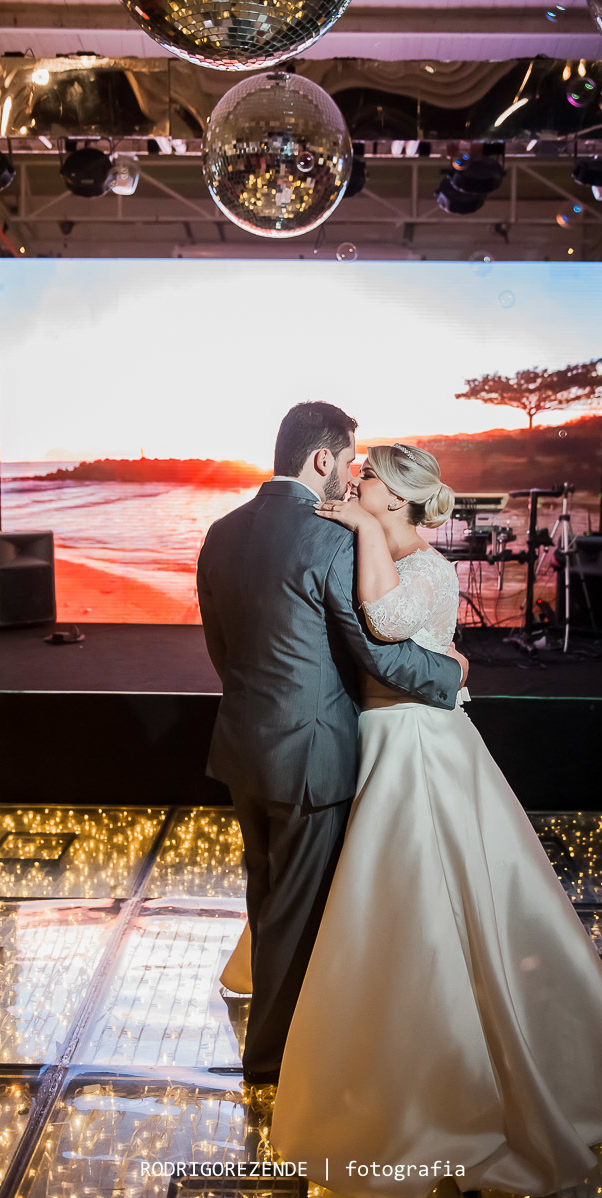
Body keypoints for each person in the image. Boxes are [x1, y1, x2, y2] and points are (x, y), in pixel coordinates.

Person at [269, 442, 602, 1198]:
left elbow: (387, 626)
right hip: (382, 738)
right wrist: (446, 660)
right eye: (358, 481)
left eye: (369, 484)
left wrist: (358, 534)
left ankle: (468, 1093)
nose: (356, 488)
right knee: (396, 910)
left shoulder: (428, 564)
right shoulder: (374, 537)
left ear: (398, 499)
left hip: (421, 747)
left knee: (439, 903)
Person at [196, 404, 467, 1087]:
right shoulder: (331, 539)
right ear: (323, 460)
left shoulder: (220, 533)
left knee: (267, 900)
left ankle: (275, 1040)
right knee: (297, 915)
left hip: (243, 750)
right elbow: (379, 656)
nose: (350, 477)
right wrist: (451, 672)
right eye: (349, 461)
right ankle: (275, 1066)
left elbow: (221, 651)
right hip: (312, 760)